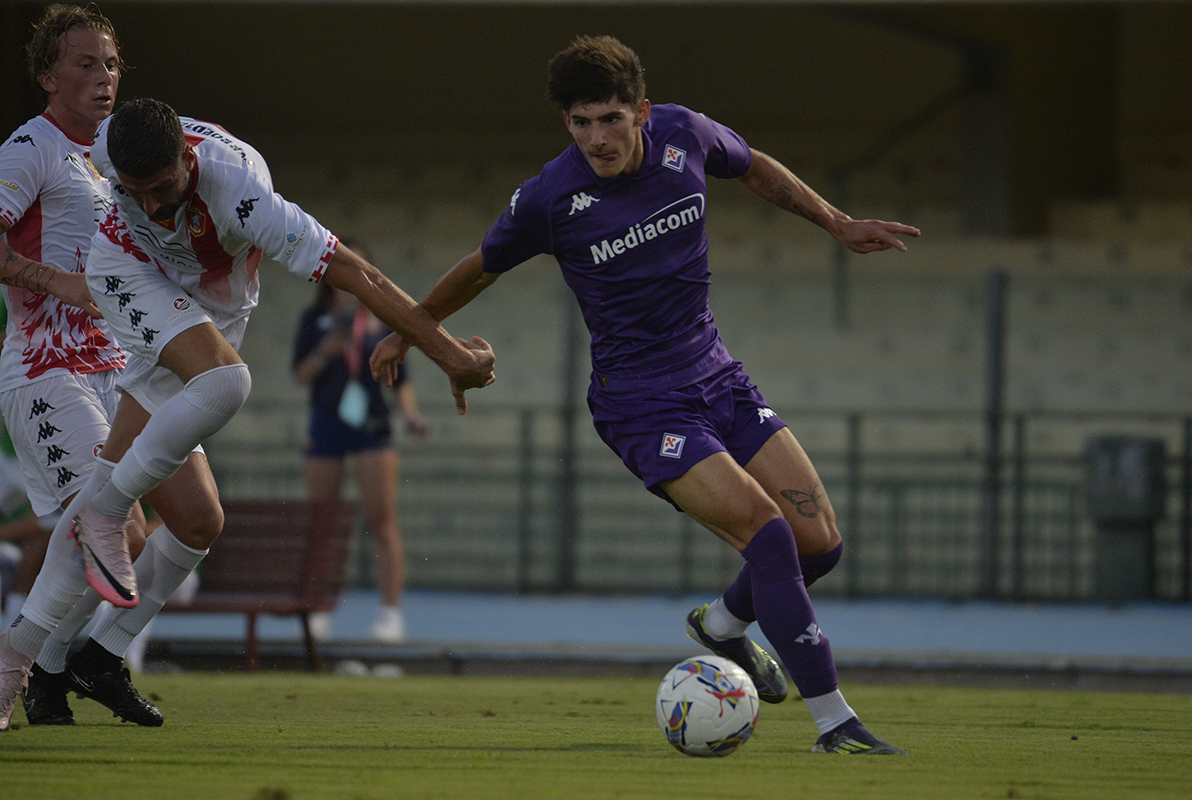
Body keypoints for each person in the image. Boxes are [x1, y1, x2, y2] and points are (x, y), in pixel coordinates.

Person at [371, 35, 919, 755]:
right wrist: (417, 331)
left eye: (609, 119)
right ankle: (834, 724)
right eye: (580, 123)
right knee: (770, 534)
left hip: (719, 377)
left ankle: (721, 628)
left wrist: (838, 223)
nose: (596, 137)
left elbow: (753, 168)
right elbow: (481, 265)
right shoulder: (550, 197)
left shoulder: (684, 135)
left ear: (642, 112)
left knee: (820, 547)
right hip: (641, 406)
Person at [0, 96, 495, 731]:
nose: (151, 206)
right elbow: (126, 201)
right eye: (135, 192)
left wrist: (449, 353)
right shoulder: (107, 152)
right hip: (127, 270)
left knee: (200, 520)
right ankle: (103, 517)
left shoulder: (243, 194)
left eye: (162, 190)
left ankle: (69, 659)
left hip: (214, 304)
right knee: (226, 381)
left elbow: (361, 277)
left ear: (187, 157)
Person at [0, 3, 172, 730]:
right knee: (119, 534)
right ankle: (34, 665)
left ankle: (56, 671)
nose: (104, 78)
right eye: (85, 64)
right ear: (47, 77)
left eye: (111, 64)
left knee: (191, 518)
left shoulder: (111, 156)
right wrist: (56, 281)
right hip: (48, 369)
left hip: (120, 368)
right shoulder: (27, 148)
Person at [292, 238, 427, 643]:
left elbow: (401, 382)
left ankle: (390, 614)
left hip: (373, 427)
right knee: (323, 521)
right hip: (327, 423)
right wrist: (326, 351)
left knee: (381, 520)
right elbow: (300, 375)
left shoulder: (384, 322)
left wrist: (412, 417)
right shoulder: (314, 318)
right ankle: (316, 610)